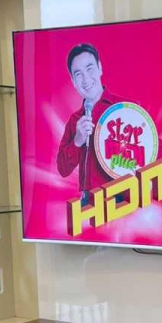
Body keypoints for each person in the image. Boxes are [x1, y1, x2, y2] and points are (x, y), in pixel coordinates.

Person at [56, 43, 121, 204]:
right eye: (78, 74)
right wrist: (77, 141)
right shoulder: (75, 120)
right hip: (90, 202)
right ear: (73, 81)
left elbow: (157, 151)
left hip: (123, 197)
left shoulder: (126, 108)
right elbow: (62, 169)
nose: (85, 79)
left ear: (100, 68)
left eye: (90, 69)